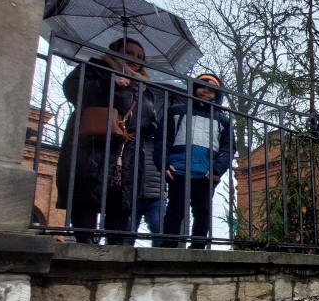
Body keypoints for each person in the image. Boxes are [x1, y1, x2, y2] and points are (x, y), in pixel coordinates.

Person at [56, 38, 156, 244]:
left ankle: (114, 247)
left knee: (120, 201)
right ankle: (85, 244)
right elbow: (73, 90)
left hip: (126, 152)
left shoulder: (144, 88)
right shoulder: (95, 68)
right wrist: (110, 82)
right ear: (115, 51)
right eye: (128, 53)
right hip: (92, 146)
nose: (134, 59)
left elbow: (149, 120)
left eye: (139, 57)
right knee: (86, 196)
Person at [154, 73, 233, 249]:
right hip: (179, 169)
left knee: (203, 210)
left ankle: (198, 247)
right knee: (176, 209)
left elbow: (228, 149)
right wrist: (164, 164)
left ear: (216, 95)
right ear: (194, 88)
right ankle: (168, 246)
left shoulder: (222, 119)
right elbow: (162, 140)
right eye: (203, 87)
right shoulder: (176, 111)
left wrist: (217, 170)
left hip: (206, 173)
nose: (206, 92)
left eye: (212, 90)